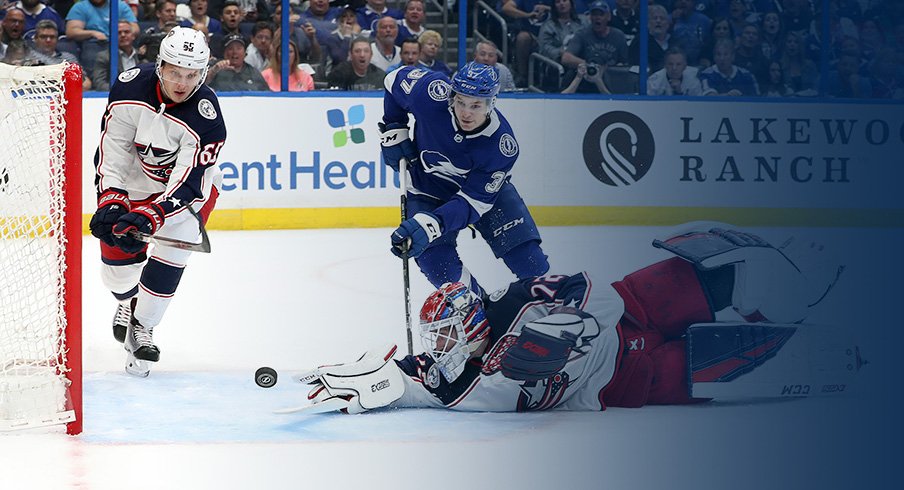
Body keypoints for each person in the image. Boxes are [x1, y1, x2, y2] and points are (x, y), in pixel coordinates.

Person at [297, 223, 844, 414]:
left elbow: (592, 296)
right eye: (438, 338)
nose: (439, 346)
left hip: (632, 305)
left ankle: (799, 283)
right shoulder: (448, 378)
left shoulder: (511, 300)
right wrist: (373, 385)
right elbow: (408, 379)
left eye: (445, 334)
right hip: (629, 377)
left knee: (718, 278)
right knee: (744, 360)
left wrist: (567, 327)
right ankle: (824, 354)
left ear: (470, 323)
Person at [88, 27, 226, 377]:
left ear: (203, 72)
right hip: (132, 185)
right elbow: (114, 147)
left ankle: (143, 326)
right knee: (117, 272)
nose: (182, 83)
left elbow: (189, 181)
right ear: (160, 64)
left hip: (183, 199)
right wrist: (111, 200)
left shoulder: (207, 118)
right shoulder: (129, 86)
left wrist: (154, 215)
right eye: (175, 72)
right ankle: (126, 301)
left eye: (192, 74)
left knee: (172, 255)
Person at [380, 61, 549, 298]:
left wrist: (434, 224)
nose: (466, 112)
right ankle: (479, 312)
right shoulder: (431, 92)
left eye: (476, 105)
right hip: (427, 189)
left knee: (529, 260)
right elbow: (393, 79)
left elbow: (473, 203)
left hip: (481, 197)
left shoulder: (501, 146)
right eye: (460, 102)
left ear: (492, 103)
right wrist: (393, 126)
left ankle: (552, 311)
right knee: (434, 260)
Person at [561, 0, 628, 94]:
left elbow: (624, 64)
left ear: (608, 17)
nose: (597, 18)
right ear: (590, 17)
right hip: (586, 81)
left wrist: (607, 69)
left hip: (610, 81)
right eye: (594, 14)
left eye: (601, 14)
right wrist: (590, 67)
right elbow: (566, 58)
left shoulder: (618, 36)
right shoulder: (582, 34)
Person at [64, 0, 139, 74]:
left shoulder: (119, 5)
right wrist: (93, 33)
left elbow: (135, 28)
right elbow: (71, 31)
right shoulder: (80, 7)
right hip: (95, 44)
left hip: (119, 43)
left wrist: (122, 33)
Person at [92, 20, 146, 90]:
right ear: (112, 37)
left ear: (133, 36)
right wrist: (122, 90)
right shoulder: (104, 57)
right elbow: (99, 84)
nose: (123, 35)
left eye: (126, 32)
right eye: (119, 33)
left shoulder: (142, 56)